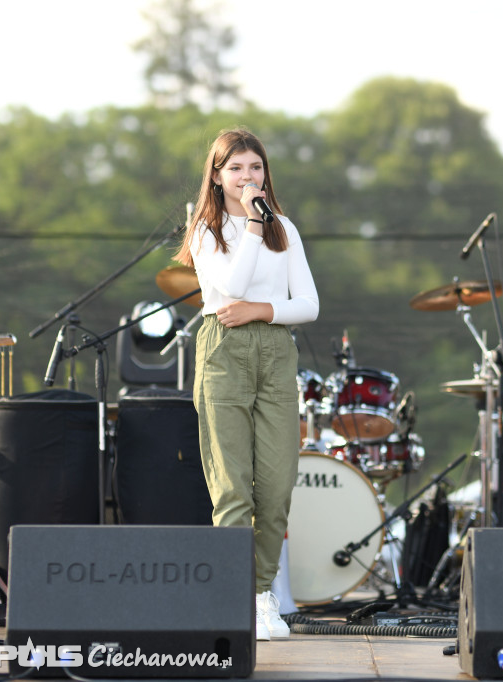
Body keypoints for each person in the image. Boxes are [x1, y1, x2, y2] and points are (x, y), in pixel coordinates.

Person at [175, 128, 319, 641]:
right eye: (235, 168)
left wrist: (263, 310)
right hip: (224, 351)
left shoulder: (285, 228)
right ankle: (246, 597)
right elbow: (230, 287)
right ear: (216, 176)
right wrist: (253, 228)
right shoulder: (206, 231)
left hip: (276, 352)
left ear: (265, 173)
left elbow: (309, 304)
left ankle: (262, 590)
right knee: (231, 484)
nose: (247, 177)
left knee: (276, 485)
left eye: (255, 167)